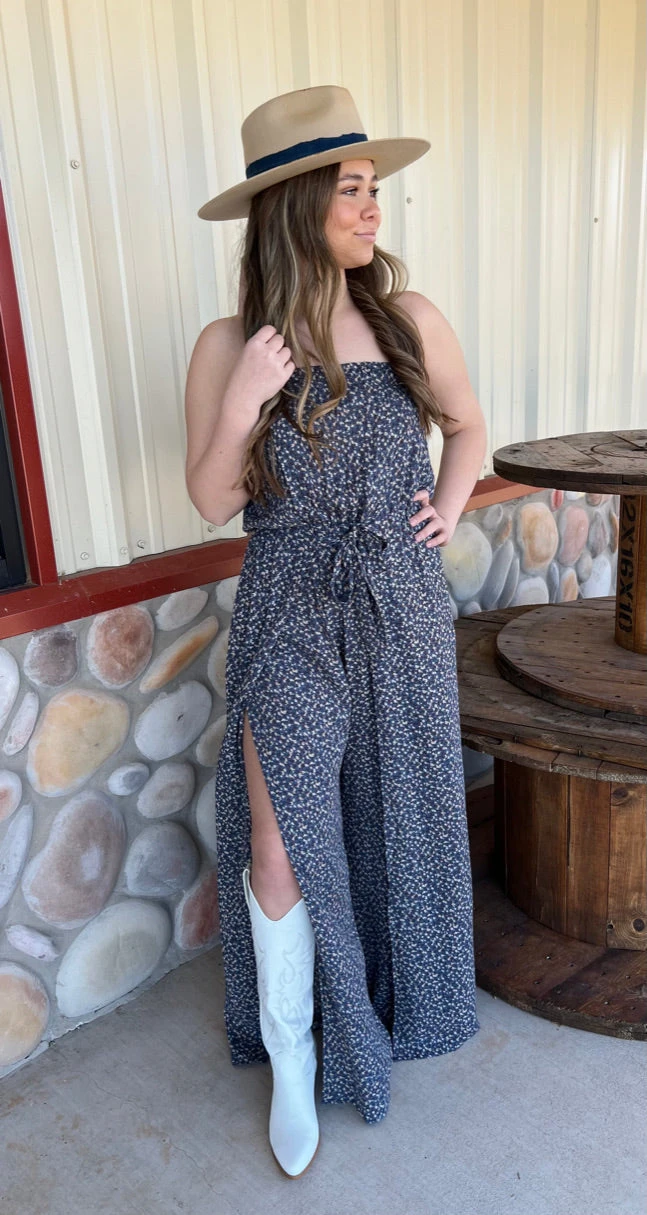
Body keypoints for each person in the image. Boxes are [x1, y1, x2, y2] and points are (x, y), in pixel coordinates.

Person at [185, 84, 487, 1179]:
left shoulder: (409, 321)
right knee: (280, 837)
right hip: (287, 607)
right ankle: (293, 1052)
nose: (371, 208)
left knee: (400, 811)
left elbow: (468, 427)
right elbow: (211, 498)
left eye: (372, 188)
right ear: (294, 205)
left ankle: (397, 1001)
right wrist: (242, 401)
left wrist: (446, 507)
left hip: (398, 599)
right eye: (350, 189)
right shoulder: (231, 343)